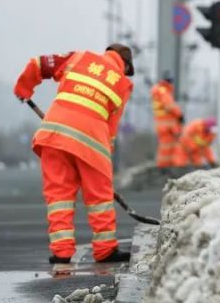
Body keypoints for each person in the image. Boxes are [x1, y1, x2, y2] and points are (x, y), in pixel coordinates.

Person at [13, 44, 135, 264]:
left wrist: (24, 88)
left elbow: (38, 64)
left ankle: (61, 252)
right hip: (92, 140)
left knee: (58, 196)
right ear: (125, 65)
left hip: (54, 133)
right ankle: (105, 249)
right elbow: (111, 127)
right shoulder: (122, 83)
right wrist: (104, 160)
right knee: (99, 197)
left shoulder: (79, 58)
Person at [150, 74, 183, 169]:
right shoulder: (164, 91)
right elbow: (169, 105)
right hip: (167, 125)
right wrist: (179, 115)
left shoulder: (157, 91)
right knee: (168, 146)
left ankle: (165, 166)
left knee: (165, 146)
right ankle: (165, 167)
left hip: (161, 124)